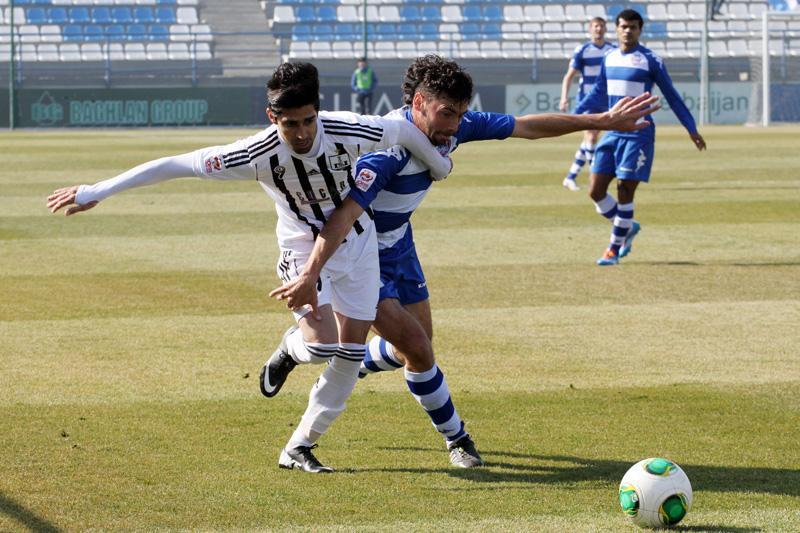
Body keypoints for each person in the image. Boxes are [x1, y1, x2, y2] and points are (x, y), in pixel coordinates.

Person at [45, 61, 452, 474]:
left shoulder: (348, 128)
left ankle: (299, 447)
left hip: (358, 245)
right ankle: (291, 348)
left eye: (308, 121)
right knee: (321, 347)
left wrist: (439, 166)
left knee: (350, 353)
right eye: (290, 124)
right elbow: (176, 164)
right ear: (271, 116)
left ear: (318, 111)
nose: (302, 133)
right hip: (300, 246)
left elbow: (403, 132)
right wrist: (98, 190)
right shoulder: (255, 153)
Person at [268, 55, 660, 470]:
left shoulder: (451, 126)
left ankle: (353, 364)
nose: (455, 125)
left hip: (400, 246)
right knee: (417, 349)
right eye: (446, 114)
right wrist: (310, 273)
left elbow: (527, 126)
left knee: (412, 350)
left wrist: (601, 120)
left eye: (460, 114)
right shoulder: (385, 150)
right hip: (360, 255)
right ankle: (456, 438)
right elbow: (344, 217)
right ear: (419, 103)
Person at [575, 9, 706, 266]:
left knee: (624, 189)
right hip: (612, 131)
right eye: (624, 26)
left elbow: (672, 96)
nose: (628, 31)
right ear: (617, 29)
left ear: (639, 30)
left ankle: (613, 251)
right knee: (595, 191)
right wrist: (574, 115)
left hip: (639, 133)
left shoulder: (650, 60)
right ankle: (627, 226)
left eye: (633, 27)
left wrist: (690, 128)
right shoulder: (609, 57)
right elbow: (598, 92)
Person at [559, 17, 616, 191]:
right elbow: (569, 76)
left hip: (605, 99)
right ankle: (595, 174)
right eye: (596, 26)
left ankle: (570, 177)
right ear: (590, 29)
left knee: (590, 139)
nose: (599, 29)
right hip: (586, 99)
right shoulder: (583, 50)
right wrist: (564, 97)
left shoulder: (612, 50)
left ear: (605, 29)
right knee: (590, 136)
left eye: (601, 26)